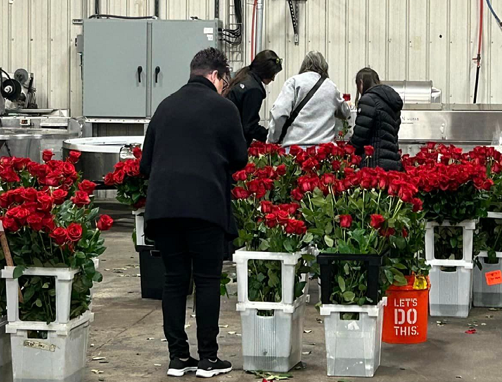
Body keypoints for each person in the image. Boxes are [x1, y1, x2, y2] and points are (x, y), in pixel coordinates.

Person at [139, 48, 248, 378]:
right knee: (206, 280)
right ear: (216, 75)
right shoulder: (223, 108)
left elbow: (146, 164)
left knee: (174, 281)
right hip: (204, 207)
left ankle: (177, 358)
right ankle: (208, 359)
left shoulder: (165, 106)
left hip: (163, 208)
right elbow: (240, 159)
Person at [267, 51, 350, 147]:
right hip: (324, 151)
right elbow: (345, 113)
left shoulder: (293, 82)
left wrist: (272, 140)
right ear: (324, 67)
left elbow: (279, 113)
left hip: (295, 149)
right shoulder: (331, 86)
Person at [350, 68, 403, 171]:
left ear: (361, 82)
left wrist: (347, 150)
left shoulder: (368, 100)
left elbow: (361, 135)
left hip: (374, 163)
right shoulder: (391, 100)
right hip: (393, 162)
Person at [225, 50, 283, 144]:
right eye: (272, 75)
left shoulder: (243, 77)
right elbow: (249, 126)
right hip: (232, 141)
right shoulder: (253, 90)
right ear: (264, 72)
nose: (273, 79)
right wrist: (270, 137)